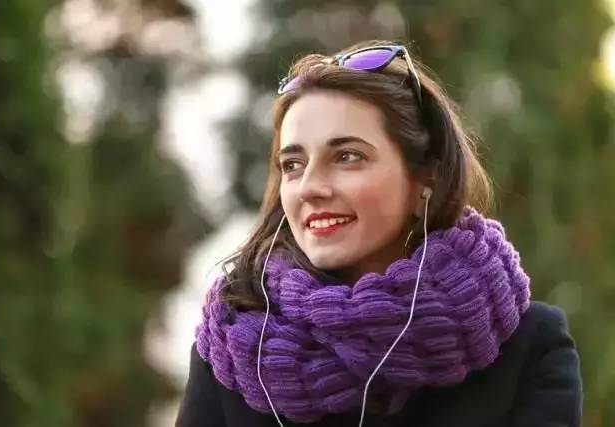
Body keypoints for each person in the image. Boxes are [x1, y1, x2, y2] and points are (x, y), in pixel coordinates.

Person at [175, 40, 582, 427]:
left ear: (426, 179)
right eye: (293, 165)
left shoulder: (529, 347)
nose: (310, 187)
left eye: (347, 157)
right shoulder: (233, 346)